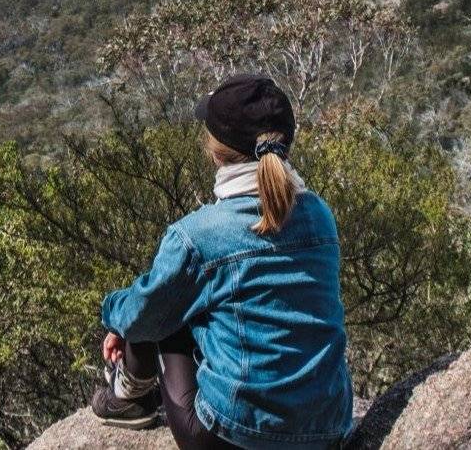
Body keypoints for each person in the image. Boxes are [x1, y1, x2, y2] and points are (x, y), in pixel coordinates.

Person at [90, 73, 353, 449]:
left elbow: (142, 315)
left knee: (165, 307)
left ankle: (127, 397)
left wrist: (114, 314)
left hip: (234, 437)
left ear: (216, 151)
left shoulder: (199, 236)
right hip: (327, 431)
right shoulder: (319, 215)